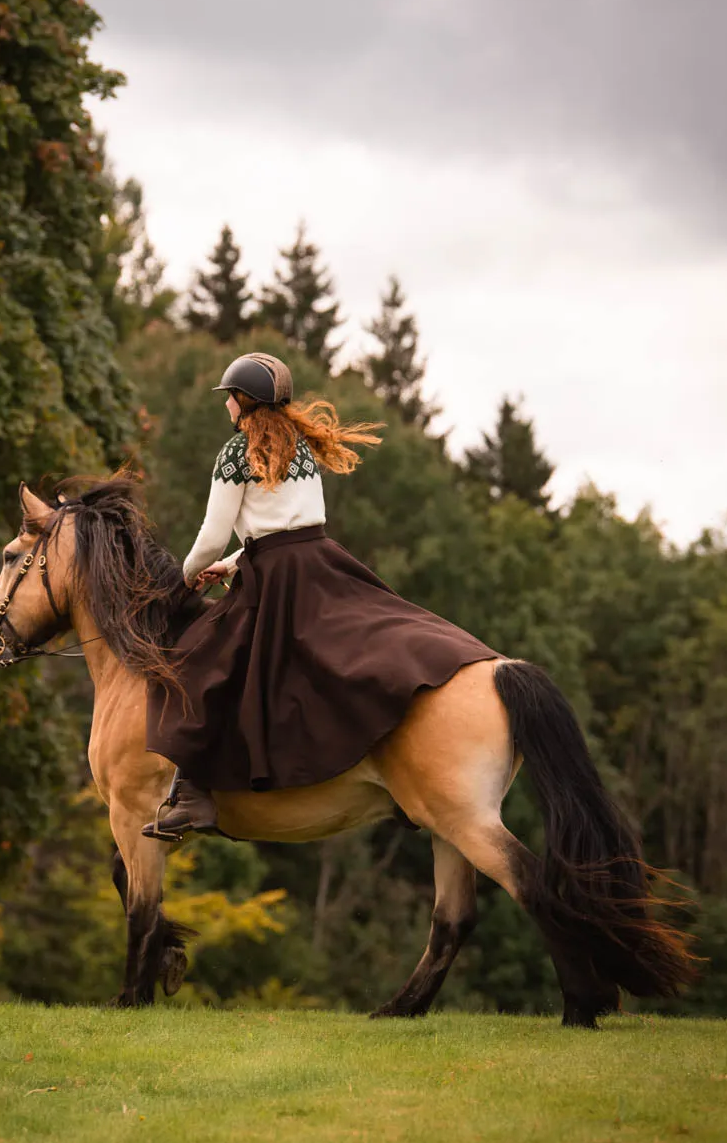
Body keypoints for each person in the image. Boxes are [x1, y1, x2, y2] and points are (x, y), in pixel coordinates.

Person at [143, 351, 497, 841]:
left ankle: (193, 796)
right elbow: (290, 524)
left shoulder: (235, 452)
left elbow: (210, 535)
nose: (226, 406)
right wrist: (234, 564)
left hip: (276, 578)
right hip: (318, 562)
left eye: (229, 397)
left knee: (199, 659)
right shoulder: (301, 448)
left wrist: (186, 576)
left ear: (244, 401)